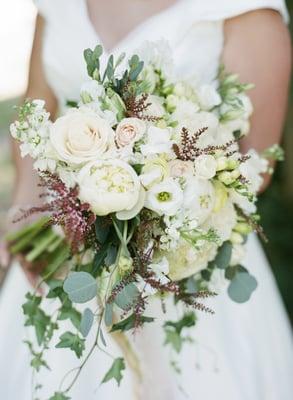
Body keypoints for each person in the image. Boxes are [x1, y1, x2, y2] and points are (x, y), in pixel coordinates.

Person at [0, 0, 293, 399]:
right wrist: (22, 207)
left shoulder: (245, 9)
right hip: (60, 247)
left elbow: (255, 165)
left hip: (184, 267)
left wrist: (154, 210)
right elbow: (37, 104)